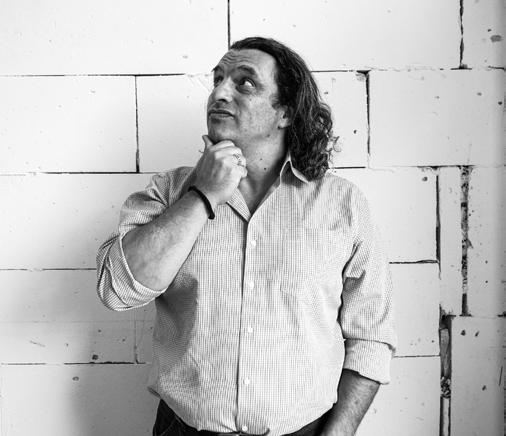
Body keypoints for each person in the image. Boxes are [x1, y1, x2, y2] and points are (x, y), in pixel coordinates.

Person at [96, 36, 396, 436]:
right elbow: (117, 290)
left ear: (285, 112)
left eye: (245, 83)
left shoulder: (343, 205)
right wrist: (201, 196)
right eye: (218, 79)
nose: (219, 93)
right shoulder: (168, 192)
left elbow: (370, 336)